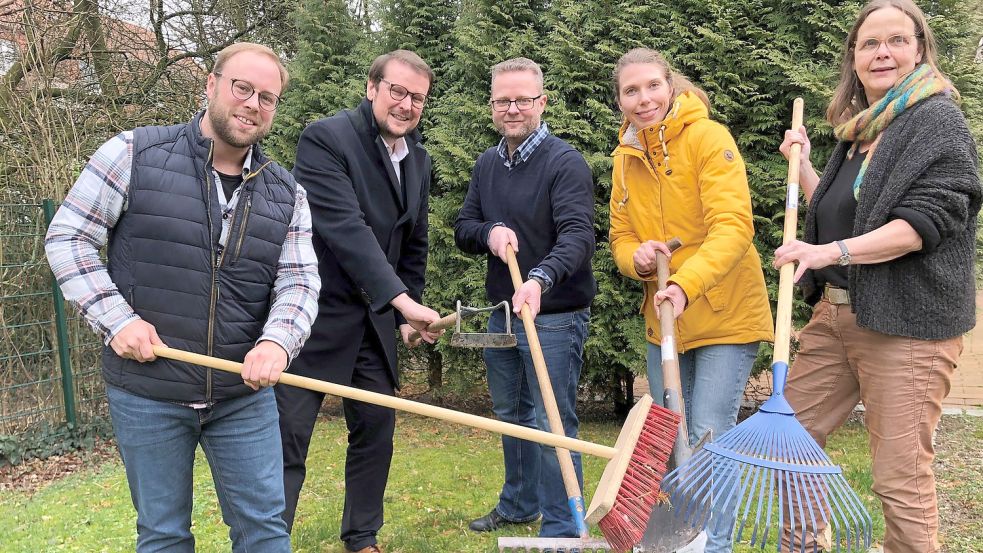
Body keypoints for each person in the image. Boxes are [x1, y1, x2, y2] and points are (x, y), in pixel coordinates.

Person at [44, 43, 320, 552]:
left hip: (242, 397)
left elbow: (299, 283)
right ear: (211, 85)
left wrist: (278, 343)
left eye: (268, 97)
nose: (253, 104)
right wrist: (116, 320)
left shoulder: (288, 193)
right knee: (164, 535)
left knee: (264, 531)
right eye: (242, 88)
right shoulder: (132, 154)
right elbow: (68, 237)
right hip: (147, 392)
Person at [775, 1, 980, 551]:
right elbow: (844, 216)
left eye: (896, 40)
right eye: (869, 43)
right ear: (855, 57)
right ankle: (805, 545)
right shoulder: (860, 129)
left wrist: (827, 253)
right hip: (837, 316)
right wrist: (805, 168)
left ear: (919, 49)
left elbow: (920, 226)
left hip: (907, 325)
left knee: (900, 475)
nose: (882, 52)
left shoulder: (936, 121)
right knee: (788, 441)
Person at [608, 48, 774, 552]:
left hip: (725, 311)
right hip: (666, 321)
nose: (644, 99)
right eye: (631, 91)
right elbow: (619, 235)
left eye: (652, 86)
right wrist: (635, 258)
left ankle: (712, 545)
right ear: (620, 101)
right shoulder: (625, 158)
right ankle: (676, 540)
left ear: (671, 86)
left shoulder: (708, 137)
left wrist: (683, 283)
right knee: (668, 435)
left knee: (707, 434)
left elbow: (734, 228)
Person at [276, 50, 442, 553]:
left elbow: (413, 241)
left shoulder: (418, 158)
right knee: (288, 437)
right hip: (314, 319)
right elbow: (346, 230)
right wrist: (401, 301)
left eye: (417, 97)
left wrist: (406, 310)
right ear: (372, 88)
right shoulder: (325, 139)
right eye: (397, 91)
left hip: (374, 323)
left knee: (376, 430)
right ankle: (267, 538)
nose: (406, 104)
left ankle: (362, 536)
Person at [454, 57, 596, 539]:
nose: (512, 108)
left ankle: (561, 526)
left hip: (552, 315)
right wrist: (489, 232)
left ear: (542, 102)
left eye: (523, 100)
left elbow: (578, 236)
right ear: (492, 104)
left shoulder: (564, 162)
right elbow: (464, 228)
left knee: (552, 420)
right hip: (503, 314)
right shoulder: (487, 164)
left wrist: (539, 279)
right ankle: (518, 505)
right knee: (512, 416)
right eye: (503, 100)